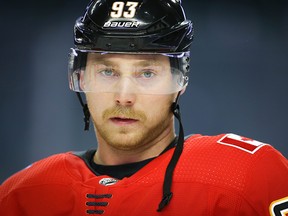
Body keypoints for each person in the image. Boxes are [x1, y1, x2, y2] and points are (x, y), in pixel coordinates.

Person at [1, 0, 288, 215]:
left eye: (147, 73)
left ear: (180, 80)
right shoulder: (25, 192)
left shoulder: (245, 176)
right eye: (107, 72)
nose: (124, 96)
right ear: (80, 77)